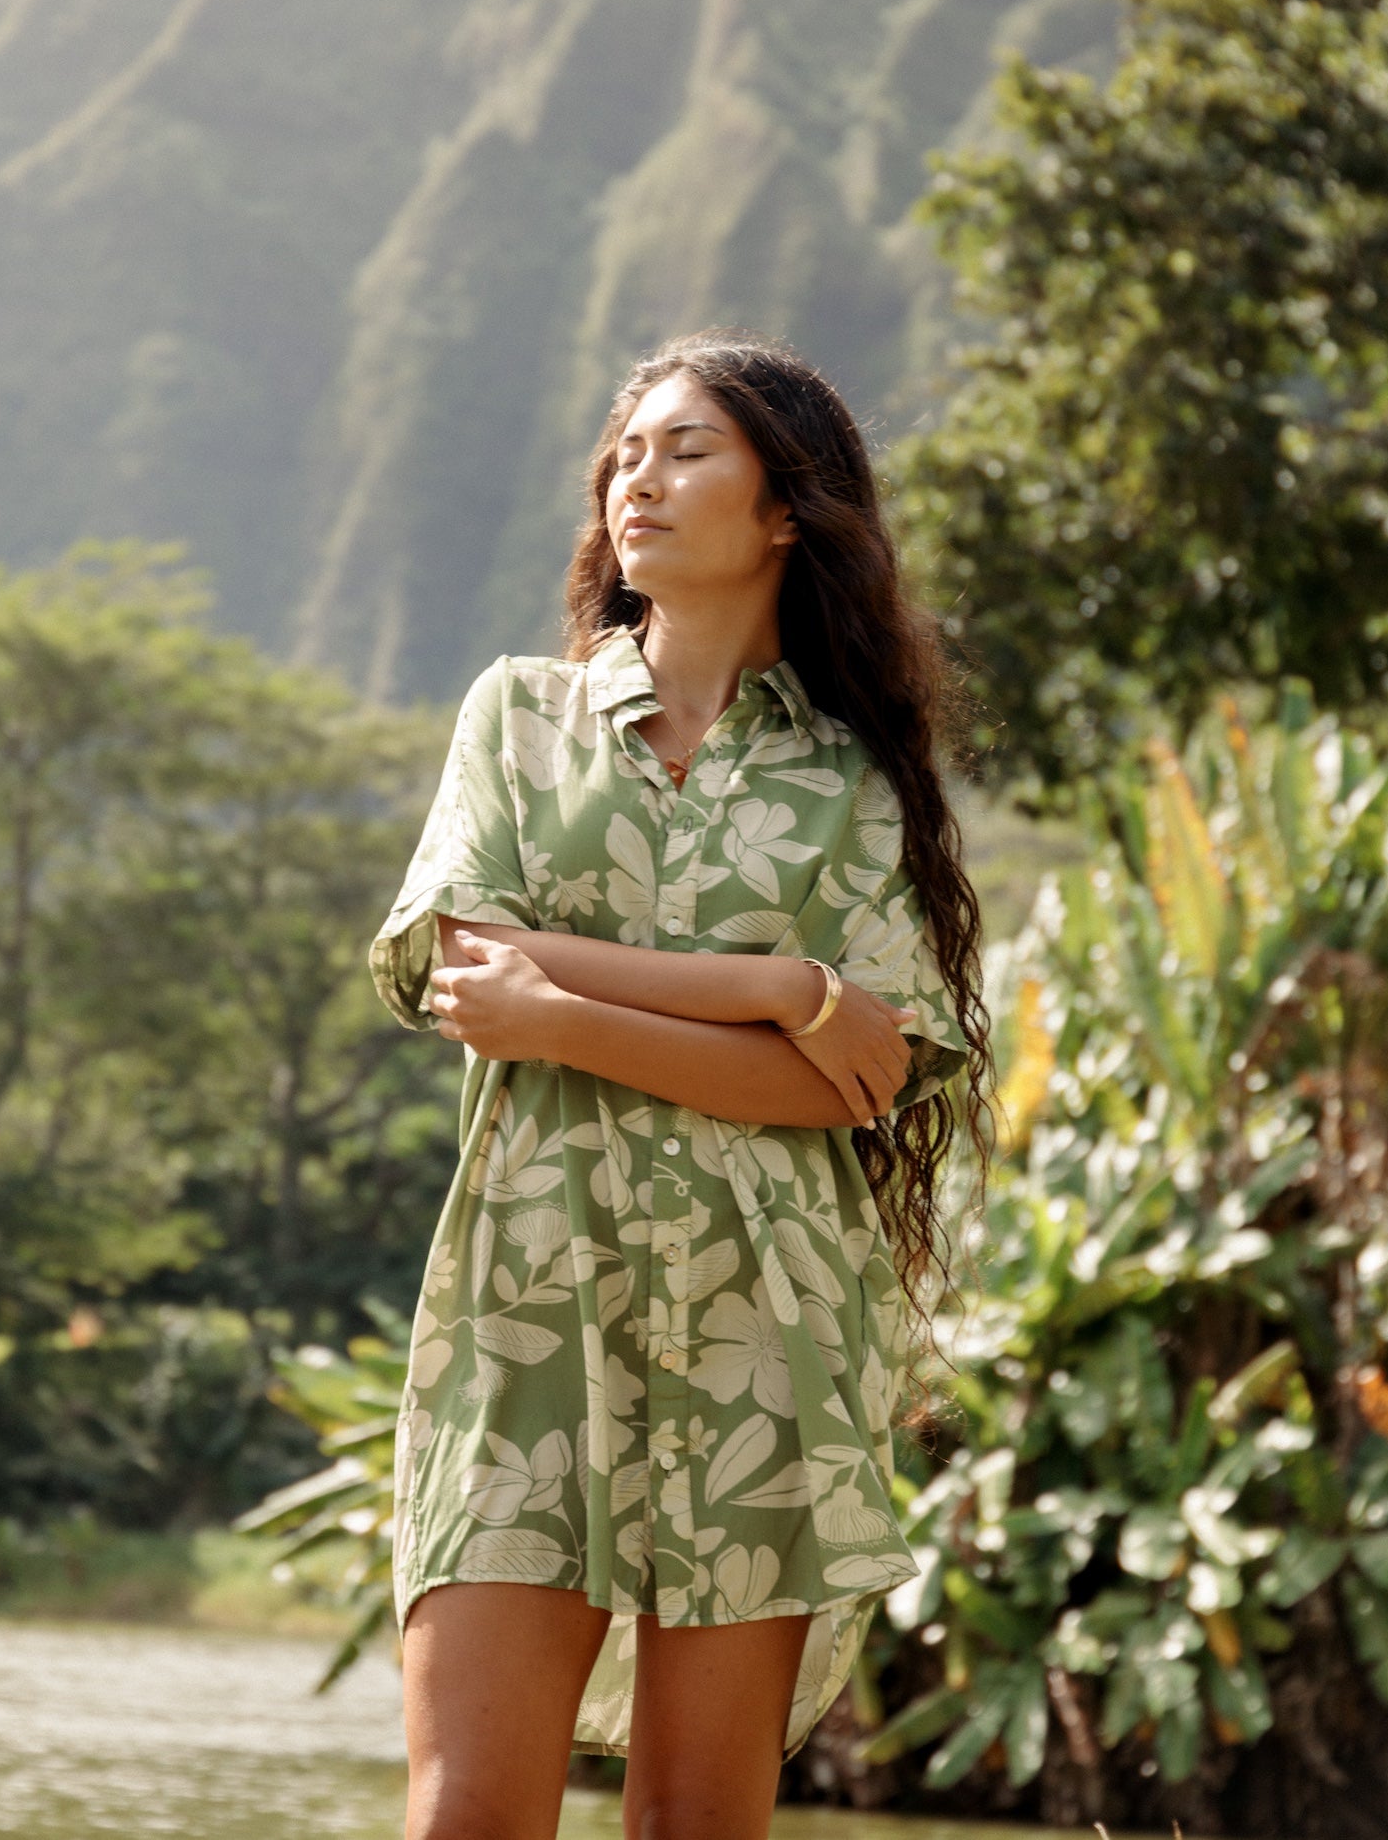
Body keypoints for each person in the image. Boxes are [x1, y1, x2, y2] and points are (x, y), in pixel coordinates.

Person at [369, 332, 990, 1840]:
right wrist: (784, 992)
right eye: (626, 451)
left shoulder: (856, 784)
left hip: (766, 1339)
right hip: (528, 1316)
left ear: (788, 509)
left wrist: (567, 1006)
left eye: (686, 448)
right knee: (467, 1821)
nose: (638, 474)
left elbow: (858, 1083)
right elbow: (461, 960)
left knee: (696, 1828)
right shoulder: (518, 718)